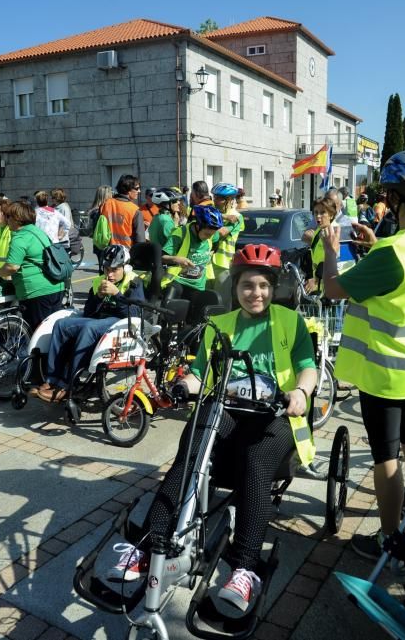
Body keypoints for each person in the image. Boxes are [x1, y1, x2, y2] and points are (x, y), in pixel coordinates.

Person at [109, 243, 318, 613]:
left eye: (264, 286)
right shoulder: (217, 327)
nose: (256, 293)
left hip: (277, 415)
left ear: (273, 288)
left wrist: (301, 391)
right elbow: (198, 375)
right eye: (248, 286)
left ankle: (244, 569)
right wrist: (182, 386)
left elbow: (307, 366)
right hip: (227, 407)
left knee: (256, 463)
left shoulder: (290, 321)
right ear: (235, 288)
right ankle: (146, 546)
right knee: (188, 456)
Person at [320, 149, 405, 560]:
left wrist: (329, 249)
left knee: (385, 456)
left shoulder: (393, 252)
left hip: (387, 371)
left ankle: (390, 540)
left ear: (395, 198)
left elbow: (332, 289)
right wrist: (378, 246)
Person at [33, 245, 145, 402]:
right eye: (106, 269)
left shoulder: (134, 282)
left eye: (114, 270)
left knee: (89, 328)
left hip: (120, 322)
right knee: (61, 324)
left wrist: (117, 294)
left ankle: (70, 385)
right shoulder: (100, 280)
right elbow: (88, 313)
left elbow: (134, 315)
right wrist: (98, 296)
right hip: (100, 319)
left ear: (124, 267)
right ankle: (53, 380)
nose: (110, 274)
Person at [0, 201, 66, 328]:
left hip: (36, 293)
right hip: (56, 287)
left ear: (17, 219)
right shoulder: (37, 232)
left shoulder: (20, 237)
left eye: (8, 216)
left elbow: (12, 266)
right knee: (50, 331)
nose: (6, 220)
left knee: (36, 333)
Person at [161, 204, 223, 321]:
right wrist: (177, 259)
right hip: (177, 282)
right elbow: (161, 257)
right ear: (198, 225)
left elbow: (214, 246)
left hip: (198, 286)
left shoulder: (213, 236)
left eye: (212, 234)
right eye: (206, 234)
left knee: (195, 321)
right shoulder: (180, 234)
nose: (209, 237)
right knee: (167, 316)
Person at [208, 183, 245, 306]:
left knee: (221, 302)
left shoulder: (237, 217)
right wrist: (222, 216)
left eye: (219, 198)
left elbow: (221, 233)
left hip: (223, 264)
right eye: (214, 197)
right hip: (207, 263)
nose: (215, 200)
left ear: (229, 200)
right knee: (206, 300)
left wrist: (206, 226)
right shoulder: (214, 212)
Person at [100, 175, 146, 248]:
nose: (139, 191)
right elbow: (140, 240)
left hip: (107, 250)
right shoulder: (135, 210)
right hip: (127, 252)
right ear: (128, 190)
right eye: (137, 188)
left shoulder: (106, 204)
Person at [303, 197, 337, 295]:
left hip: (327, 289)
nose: (318, 216)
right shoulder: (319, 230)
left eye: (322, 213)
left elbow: (332, 260)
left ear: (331, 215)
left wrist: (315, 280)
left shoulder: (331, 234)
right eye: (316, 212)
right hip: (318, 286)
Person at [146, 188, 181, 252]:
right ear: (167, 205)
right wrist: (176, 224)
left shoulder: (157, 217)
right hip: (166, 258)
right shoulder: (166, 220)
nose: (178, 202)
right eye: (174, 201)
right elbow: (175, 242)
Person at [88, 185, 113, 268]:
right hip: (106, 242)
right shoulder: (102, 211)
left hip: (98, 243)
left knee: (102, 268)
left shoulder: (94, 211)